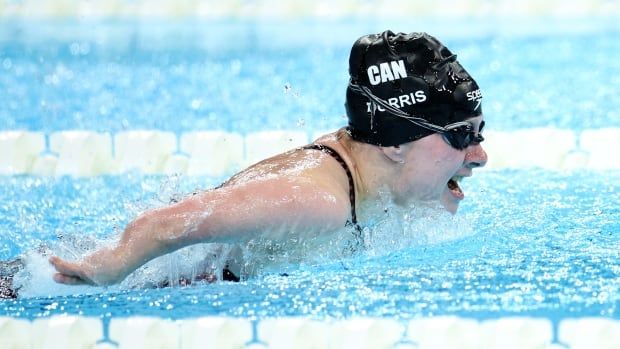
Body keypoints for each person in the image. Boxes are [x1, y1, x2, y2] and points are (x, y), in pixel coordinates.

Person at [3, 31, 487, 295]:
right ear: (395, 143)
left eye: (479, 133)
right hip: (60, 283)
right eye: (462, 135)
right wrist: (110, 267)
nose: (479, 154)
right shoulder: (321, 201)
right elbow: (167, 223)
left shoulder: (362, 167)